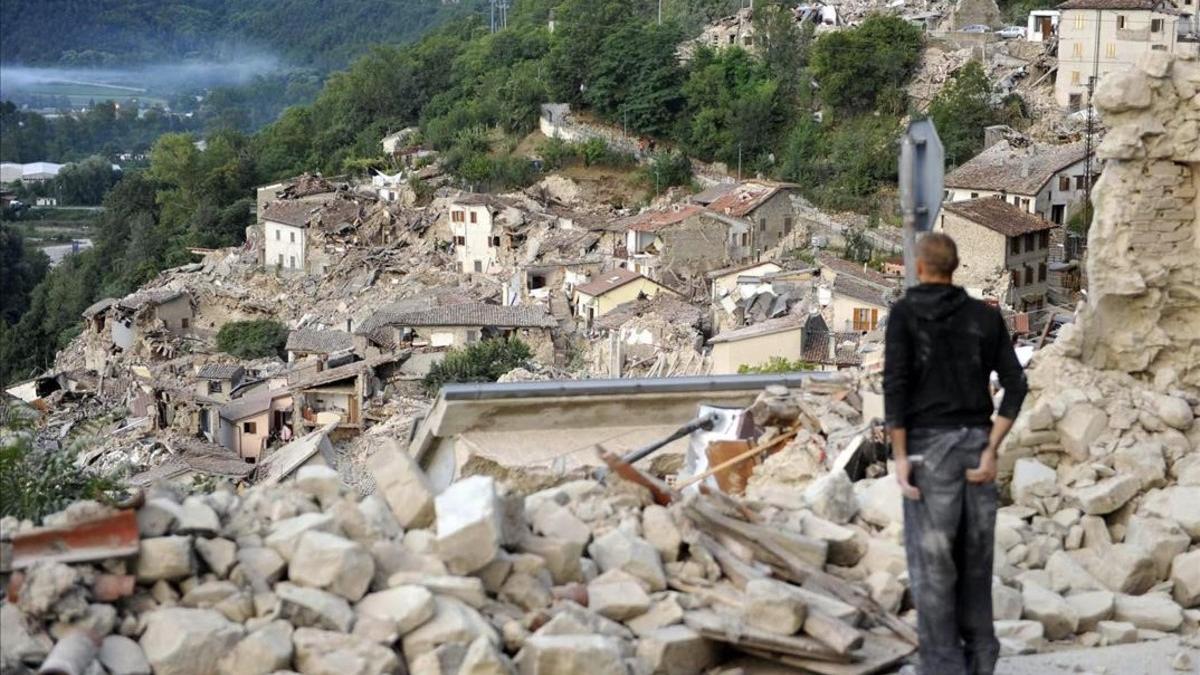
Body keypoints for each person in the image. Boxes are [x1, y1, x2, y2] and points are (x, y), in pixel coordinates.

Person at [883, 232, 1028, 675]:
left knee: (933, 569)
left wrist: (902, 456)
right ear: (955, 268)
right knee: (975, 563)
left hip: (930, 453)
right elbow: (1016, 385)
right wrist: (991, 448)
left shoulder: (905, 315)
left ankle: (944, 667)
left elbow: (896, 387)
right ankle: (981, 660)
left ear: (921, 268)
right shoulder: (984, 318)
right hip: (975, 448)